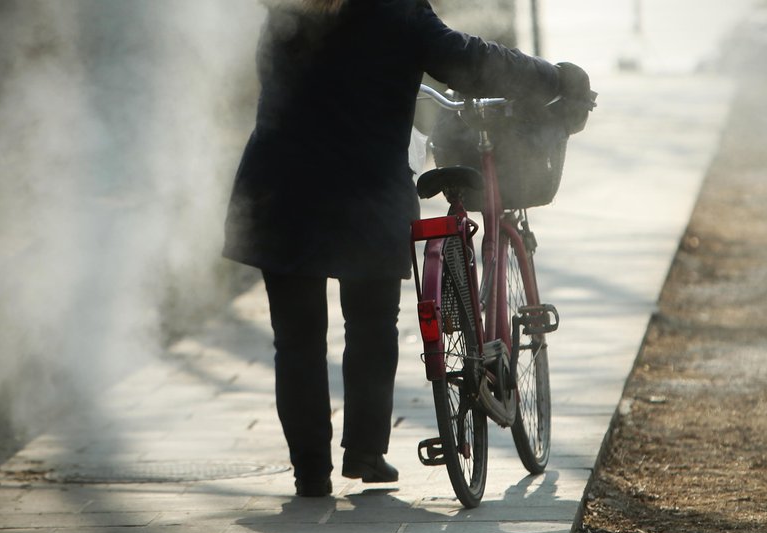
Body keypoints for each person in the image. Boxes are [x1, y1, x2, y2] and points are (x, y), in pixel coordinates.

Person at [222, 0, 593, 497]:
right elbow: (470, 62)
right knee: (371, 325)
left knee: (295, 340)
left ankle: (311, 471)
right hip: (364, 194)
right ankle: (365, 452)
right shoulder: (394, 8)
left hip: (278, 192)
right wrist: (553, 78)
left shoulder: (287, 10)